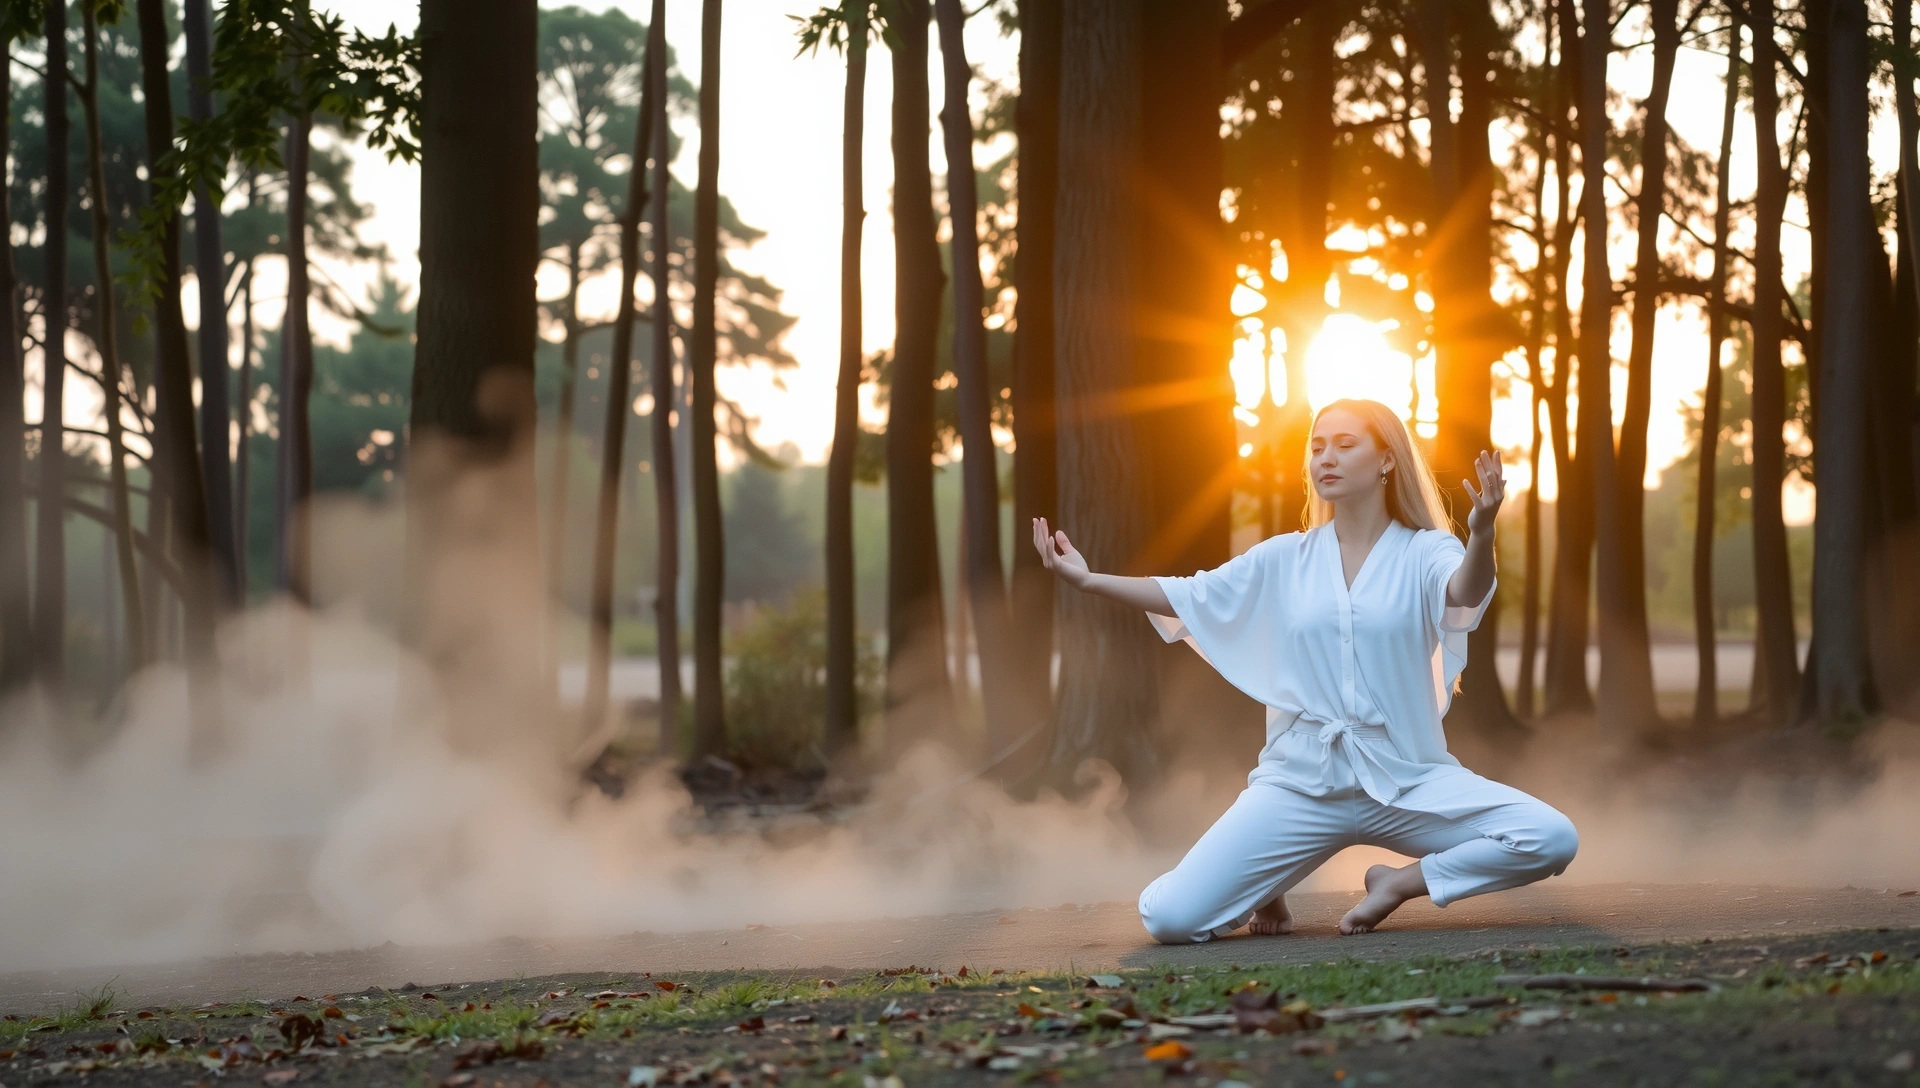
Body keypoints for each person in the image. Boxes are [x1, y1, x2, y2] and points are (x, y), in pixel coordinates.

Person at [1031, 397, 1577, 942]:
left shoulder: (1424, 551)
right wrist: (1089, 579)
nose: (1326, 459)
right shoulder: (1284, 558)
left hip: (1405, 779)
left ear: (1387, 459)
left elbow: (1464, 592)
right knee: (1170, 919)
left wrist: (1481, 532)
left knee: (1550, 837)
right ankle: (1268, 883)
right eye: (1317, 448)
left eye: (1344, 445)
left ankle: (1396, 884)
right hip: (1300, 784)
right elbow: (1188, 594)